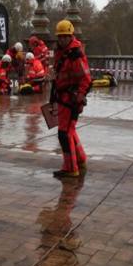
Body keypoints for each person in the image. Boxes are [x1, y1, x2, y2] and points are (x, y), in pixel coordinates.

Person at [50, 20, 92, 179]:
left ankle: (70, 168)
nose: (62, 39)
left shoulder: (75, 55)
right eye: (60, 37)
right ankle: (80, 160)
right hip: (63, 97)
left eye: (65, 36)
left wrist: (79, 98)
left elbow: (86, 79)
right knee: (69, 131)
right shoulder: (62, 52)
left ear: (71, 36)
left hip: (71, 99)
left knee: (64, 134)